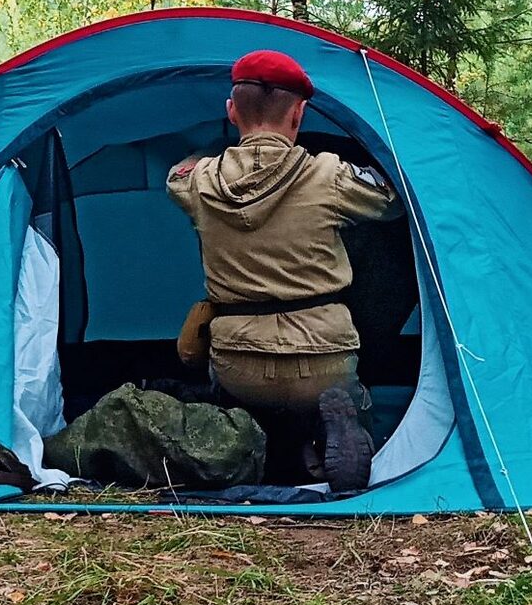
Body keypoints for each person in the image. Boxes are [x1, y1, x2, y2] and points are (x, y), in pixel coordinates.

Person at [166, 50, 400, 492]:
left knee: (235, 396)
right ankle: (342, 423)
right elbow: (392, 194)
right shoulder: (329, 175)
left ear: (232, 110)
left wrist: (211, 154)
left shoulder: (197, 182)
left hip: (239, 361)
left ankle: (254, 438)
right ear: (299, 112)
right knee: (341, 393)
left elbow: (178, 172)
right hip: (324, 358)